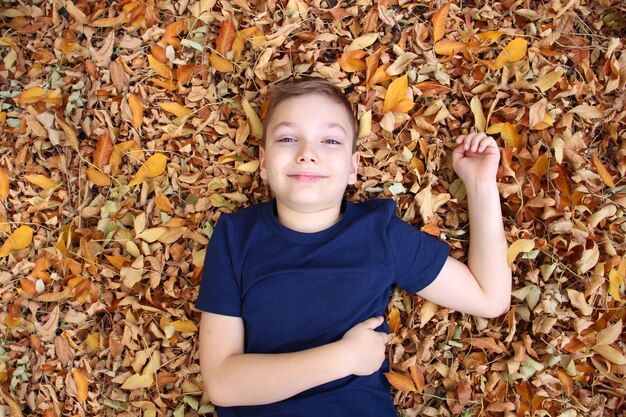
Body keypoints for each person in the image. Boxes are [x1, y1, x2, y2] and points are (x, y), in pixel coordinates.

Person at [195, 78, 512, 417]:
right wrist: (343, 358)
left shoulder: (380, 233)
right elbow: (222, 384)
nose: (308, 154)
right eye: (287, 138)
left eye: (330, 140)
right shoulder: (235, 237)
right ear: (262, 160)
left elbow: (489, 298)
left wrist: (480, 185)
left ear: (352, 167)